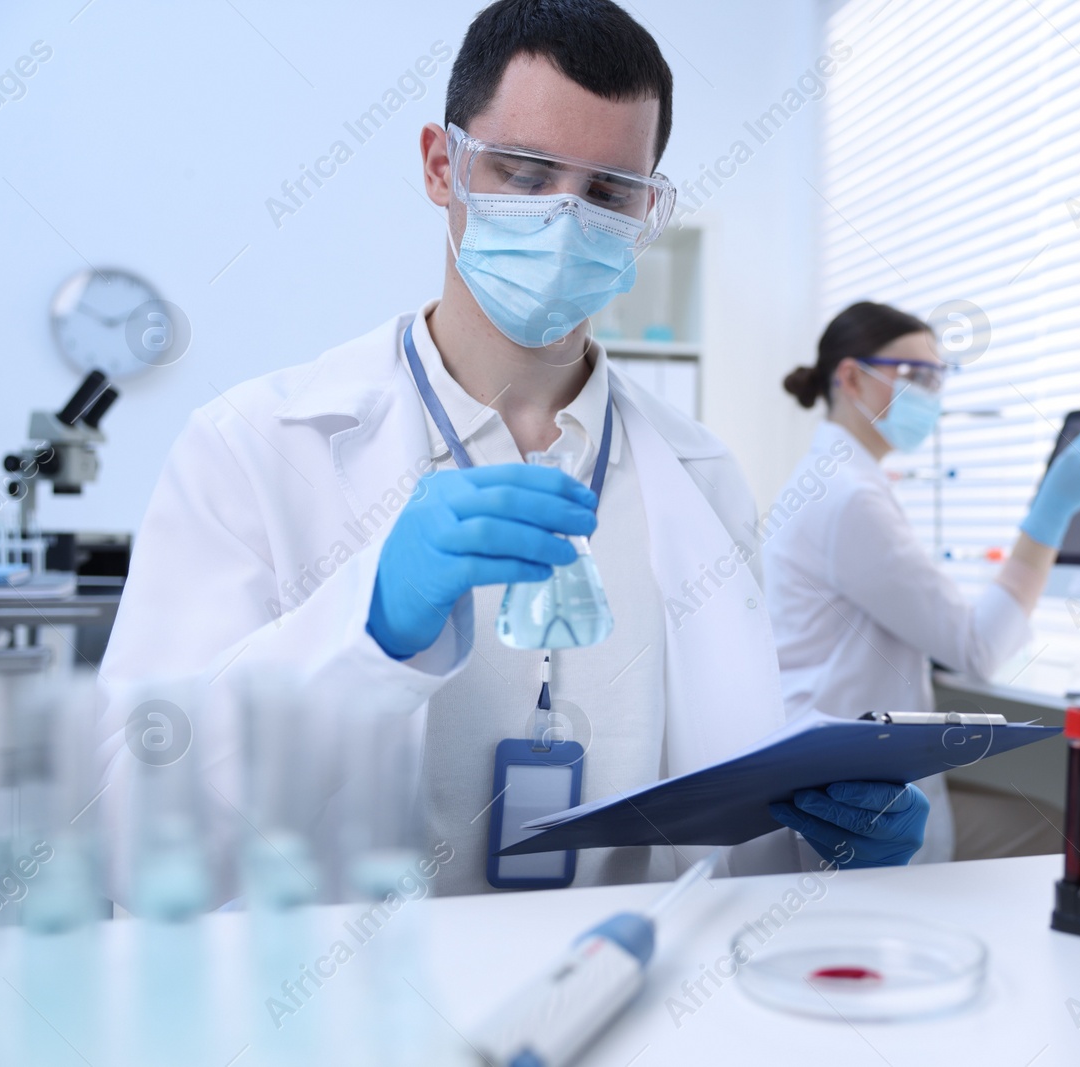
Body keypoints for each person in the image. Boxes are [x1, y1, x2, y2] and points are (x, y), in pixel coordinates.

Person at [97, 0, 927, 899]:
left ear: (649, 210)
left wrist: (821, 844)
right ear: (439, 165)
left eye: (609, 191)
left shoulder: (702, 476)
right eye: (525, 172)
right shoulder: (255, 447)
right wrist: (366, 631)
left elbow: (725, 833)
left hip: (629, 1003)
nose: (564, 219)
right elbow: (128, 826)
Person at [763, 302, 1080, 862]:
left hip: (827, 770)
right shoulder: (850, 496)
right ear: (851, 377)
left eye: (938, 378)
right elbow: (979, 649)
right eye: (915, 376)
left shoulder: (840, 480)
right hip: (838, 800)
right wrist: (1051, 512)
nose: (931, 394)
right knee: (1066, 827)